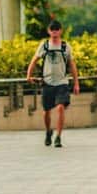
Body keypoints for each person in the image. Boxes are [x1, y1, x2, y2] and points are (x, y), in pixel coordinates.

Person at [27, 20, 80, 148]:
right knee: (46, 111)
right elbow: (34, 60)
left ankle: (58, 136)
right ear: (49, 31)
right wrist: (28, 75)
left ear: (61, 31)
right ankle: (48, 131)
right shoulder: (44, 45)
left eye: (57, 29)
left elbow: (72, 65)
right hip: (47, 82)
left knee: (61, 107)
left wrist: (76, 83)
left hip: (62, 82)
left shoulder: (65, 46)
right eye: (52, 29)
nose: (54, 31)